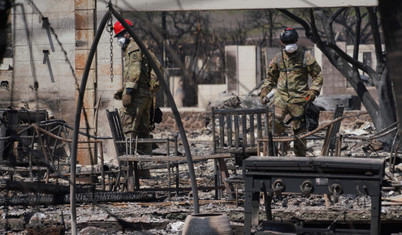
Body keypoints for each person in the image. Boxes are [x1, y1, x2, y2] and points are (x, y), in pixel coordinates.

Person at [260, 27, 323, 156]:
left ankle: (300, 160)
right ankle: (279, 150)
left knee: (300, 132)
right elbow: (270, 78)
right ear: (282, 43)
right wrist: (264, 92)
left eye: (292, 41)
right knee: (275, 120)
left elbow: (318, 76)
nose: (290, 45)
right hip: (281, 98)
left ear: (297, 41)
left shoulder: (306, 57)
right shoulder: (278, 59)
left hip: (300, 99)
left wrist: (313, 91)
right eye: (287, 42)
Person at [113, 19, 161, 155]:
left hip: (137, 96)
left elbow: (135, 70)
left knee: (128, 129)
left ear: (127, 33)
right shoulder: (141, 45)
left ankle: (129, 167)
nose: (119, 39)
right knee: (143, 131)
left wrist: (129, 91)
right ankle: (144, 169)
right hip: (145, 95)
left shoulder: (133, 47)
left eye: (120, 35)